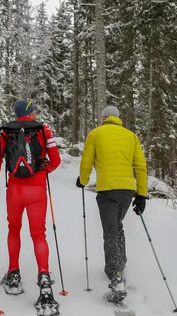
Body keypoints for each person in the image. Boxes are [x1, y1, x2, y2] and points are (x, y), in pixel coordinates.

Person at [0, 99, 61, 312]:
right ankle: (44, 278)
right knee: (39, 235)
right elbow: (56, 161)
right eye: (34, 110)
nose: (36, 113)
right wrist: (44, 170)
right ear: (28, 113)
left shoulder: (6, 132)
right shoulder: (43, 130)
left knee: (14, 229)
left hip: (15, 190)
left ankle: (13, 274)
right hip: (37, 189)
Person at [76, 105, 148, 302]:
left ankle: (116, 276)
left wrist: (82, 181)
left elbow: (86, 161)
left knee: (110, 230)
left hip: (107, 190)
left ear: (103, 118)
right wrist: (141, 195)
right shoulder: (131, 136)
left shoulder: (95, 134)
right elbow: (141, 166)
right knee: (117, 225)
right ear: (118, 118)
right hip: (127, 191)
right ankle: (121, 265)